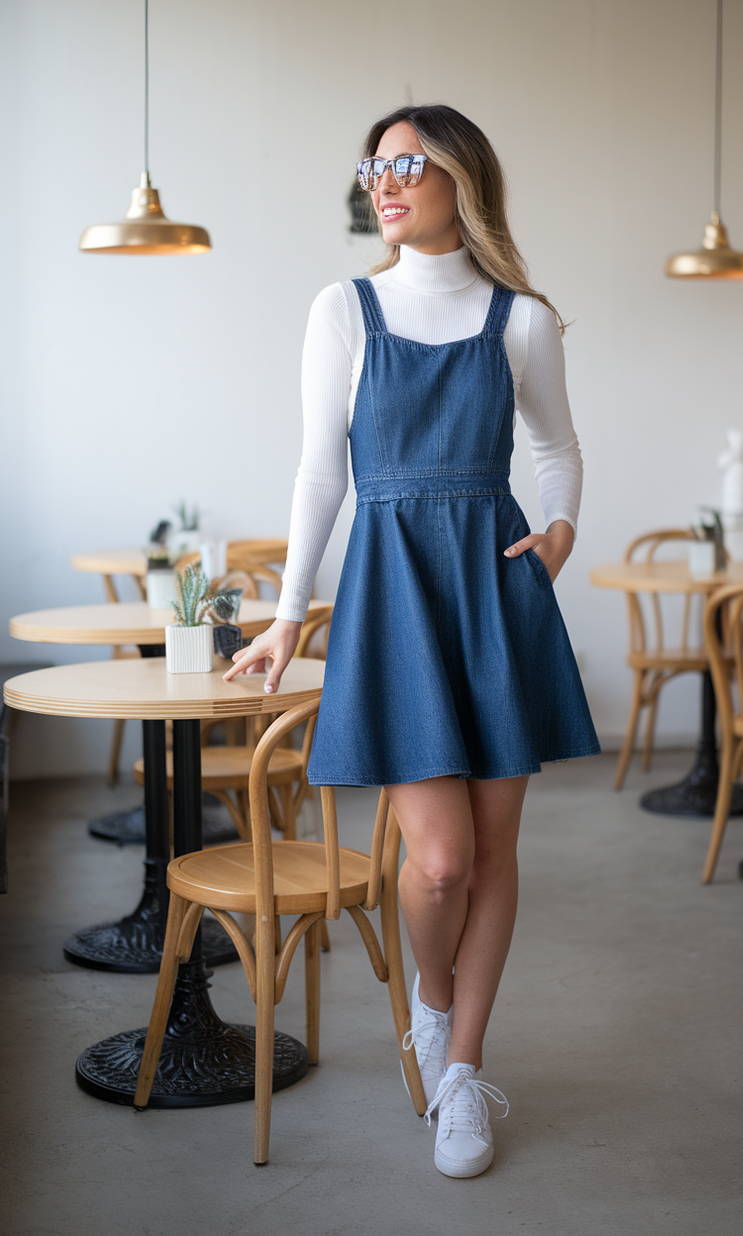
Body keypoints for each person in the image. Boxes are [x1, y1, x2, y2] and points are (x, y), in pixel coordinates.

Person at [223, 103, 599, 1178]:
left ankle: (463, 1071)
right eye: (373, 166)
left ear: (458, 178)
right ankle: (429, 1009)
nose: (383, 182)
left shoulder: (517, 319)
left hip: (492, 589)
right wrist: (289, 615)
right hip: (393, 591)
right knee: (435, 866)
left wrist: (558, 532)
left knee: (490, 854)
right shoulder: (343, 308)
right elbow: (319, 474)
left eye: (406, 164)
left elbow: (557, 446)